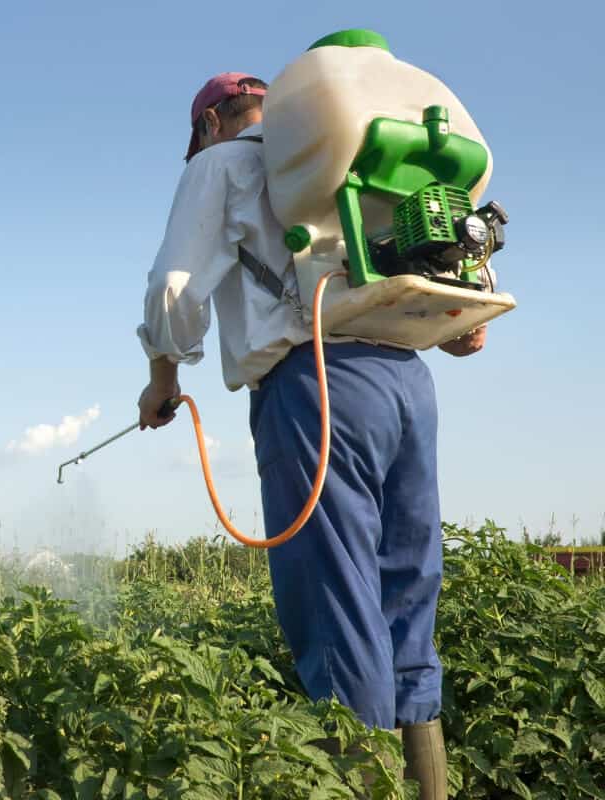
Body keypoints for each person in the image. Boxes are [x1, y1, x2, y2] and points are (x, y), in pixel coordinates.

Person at [135, 72, 485, 799]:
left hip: (318, 385)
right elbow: (455, 311)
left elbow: (176, 287)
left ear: (208, 125)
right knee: (405, 601)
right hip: (408, 387)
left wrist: (164, 377)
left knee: (339, 609)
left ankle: (366, 787)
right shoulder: (353, 154)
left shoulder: (224, 162)